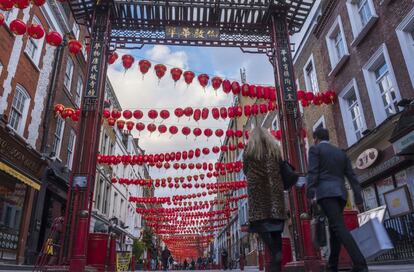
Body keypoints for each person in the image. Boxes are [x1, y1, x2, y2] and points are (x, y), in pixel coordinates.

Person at [306, 128, 368, 272]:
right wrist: (358, 198)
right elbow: (352, 176)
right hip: (341, 194)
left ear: (315, 138)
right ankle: (332, 265)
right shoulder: (341, 153)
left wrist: (310, 194)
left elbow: (313, 173)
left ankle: (360, 264)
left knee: (339, 227)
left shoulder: (315, 150)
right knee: (335, 229)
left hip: (326, 194)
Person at [243, 127, 286, 272]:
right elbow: (281, 166)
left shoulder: (249, 150)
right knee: (276, 229)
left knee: (259, 224)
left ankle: (275, 251)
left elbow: (245, 169)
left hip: (258, 192)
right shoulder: (274, 148)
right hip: (275, 191)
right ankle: (277, 262)